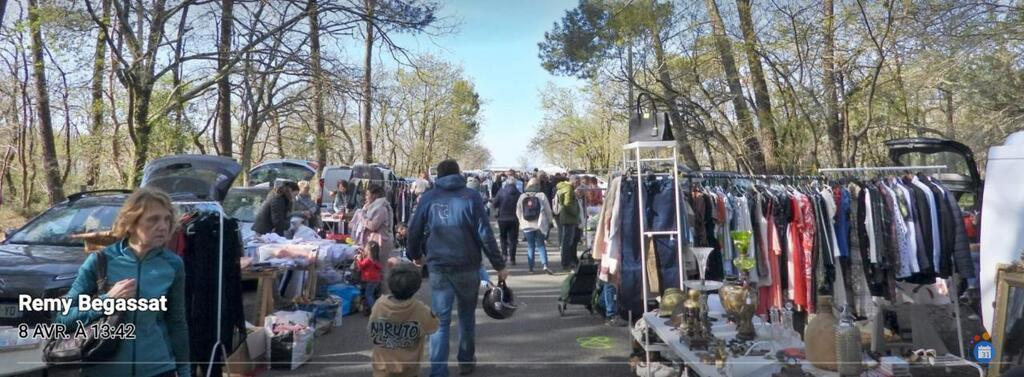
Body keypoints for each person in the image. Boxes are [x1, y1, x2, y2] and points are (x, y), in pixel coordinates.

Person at [55, 187, 190, 377]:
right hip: (104, 369)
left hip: (158, 368)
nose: (163, 226)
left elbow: (177, 323)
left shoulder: (173, 264)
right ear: (131, 224)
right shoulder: (100, 261)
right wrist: (106, 301)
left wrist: (184, 371)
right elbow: (62, 318)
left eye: (167, 219)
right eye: (153, 219)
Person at [407, 159, 508, 377]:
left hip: (439, 266)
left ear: (438, 176)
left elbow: (414, 230)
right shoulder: (471, 197)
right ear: (459, 174)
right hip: (467, 264)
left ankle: (439, 371)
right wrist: (498, 264)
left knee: (440, 321)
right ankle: (465, 362)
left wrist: (415, 255)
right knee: (466, 316)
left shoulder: (429, 197)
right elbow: (485, 234)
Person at [368, 263, 439, 377]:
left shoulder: (379, 305)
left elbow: (371, 331)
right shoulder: (421, 309)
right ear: (416, 287)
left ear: (390, 283)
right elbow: (434, 327)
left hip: (382, 371)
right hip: (409, 371)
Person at [355, 184, 395, 292]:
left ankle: (385, 297)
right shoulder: (372, 207)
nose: (366, 197)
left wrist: (362, 217)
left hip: (382, 242)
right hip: (375, 242)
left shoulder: (381, 209)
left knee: (381, 271)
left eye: (368, 194)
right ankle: (375, 297)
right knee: (374, 270)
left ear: (375, 195)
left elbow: (373, 225)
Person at [517, 178, 554, 274]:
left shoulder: (522, 196)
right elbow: (548, 210)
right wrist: (550, 221)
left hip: (527, 225)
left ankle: (531, 268)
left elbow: (518, 211)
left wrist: (521, 221)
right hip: (539, 224)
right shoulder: (541, 195)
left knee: (530, 246)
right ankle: (545, 265)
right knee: (541, 245)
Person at [493, 178, 522, 265]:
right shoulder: (518, 194)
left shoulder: (501, 192)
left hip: (502, 218)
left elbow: (495, 203)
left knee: (503, 237)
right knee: (513, 239)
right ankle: (512, 258)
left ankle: (504, 254)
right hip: (514, 218)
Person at [556, 175, 582, 271]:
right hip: (569, 219)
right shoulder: (568, 189)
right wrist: (576, 213)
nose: (578, 185)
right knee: (568, 242)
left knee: (568, 242)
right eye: (578, 183)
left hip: (567, 218)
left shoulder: (565, 187)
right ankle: (566, 263)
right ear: (574, 182)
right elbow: (567, 204)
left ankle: (567, 262)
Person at [356, 241, 384, 316]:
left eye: (365, 248)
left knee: (368, 295)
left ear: (369, 250)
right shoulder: (375, 259)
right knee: (370, 294)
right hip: (375, 280)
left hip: (369, 279)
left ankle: (375, 310)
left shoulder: (368, 260)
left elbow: (361, 266)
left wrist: (358, 259)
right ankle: (367, 310)